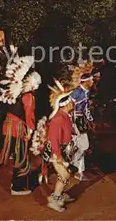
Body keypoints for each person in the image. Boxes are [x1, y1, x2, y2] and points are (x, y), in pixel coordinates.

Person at [0, 54, 42, 195]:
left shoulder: (18, 94)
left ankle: (15, 183)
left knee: (17, 154)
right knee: (21, 156)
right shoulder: (29, 96)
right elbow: (30, 116)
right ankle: (17, 187)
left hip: (9, 125)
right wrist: (30, 131)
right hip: (19, 129)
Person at [43, 80, 78, 212]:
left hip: (64, 150)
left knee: (64, 175)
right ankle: (54, 199)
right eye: (71, 102)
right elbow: (53, 139)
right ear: (65, 104)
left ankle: (60, 194)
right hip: (57, 152)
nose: (73, 103)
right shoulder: (58, 119)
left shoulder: (65, 116)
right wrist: (57, 155)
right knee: (64, 175)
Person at [70, 73, 94, 181]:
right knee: (83, 146)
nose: (93, 82)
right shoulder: (76, 92)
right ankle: (76, 170)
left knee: (82, 146)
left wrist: (90, 120)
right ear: (86, 81)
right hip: (75, 121)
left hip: (80, 121)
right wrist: (71, 123)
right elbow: (69, 107)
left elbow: (86, 109)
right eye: (91, 80)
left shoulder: (86, 92)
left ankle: (77, 170)